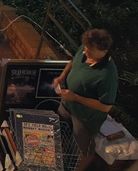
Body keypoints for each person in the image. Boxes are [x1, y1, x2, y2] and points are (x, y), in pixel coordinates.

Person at [54, 29, 119, 171]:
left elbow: (105, 106)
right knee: (61, 133)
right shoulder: (85, 49)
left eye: (90, 50)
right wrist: (63, 76)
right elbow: (73, 61)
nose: (85, 52)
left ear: (104, 51)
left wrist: (75, 97)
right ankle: (62, 160)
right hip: (66, 106)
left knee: (84, 150)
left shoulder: (107, 75)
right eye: (85, 48)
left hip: (84, 118)